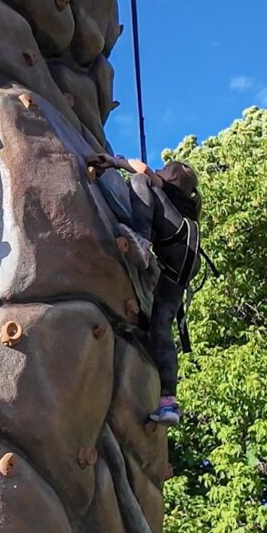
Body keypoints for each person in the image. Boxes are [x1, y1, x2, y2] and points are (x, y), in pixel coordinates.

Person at [89, 154, 203, 427]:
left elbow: (141, 169)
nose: (158, 171)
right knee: (161, 329)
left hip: (176, 248)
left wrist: (115, 161)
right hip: (183, 265)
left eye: (163, 169)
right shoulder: (182, 206)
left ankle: (142, 239)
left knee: (140, 180)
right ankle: (168, 403)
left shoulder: (165, 190)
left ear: (172, 177)